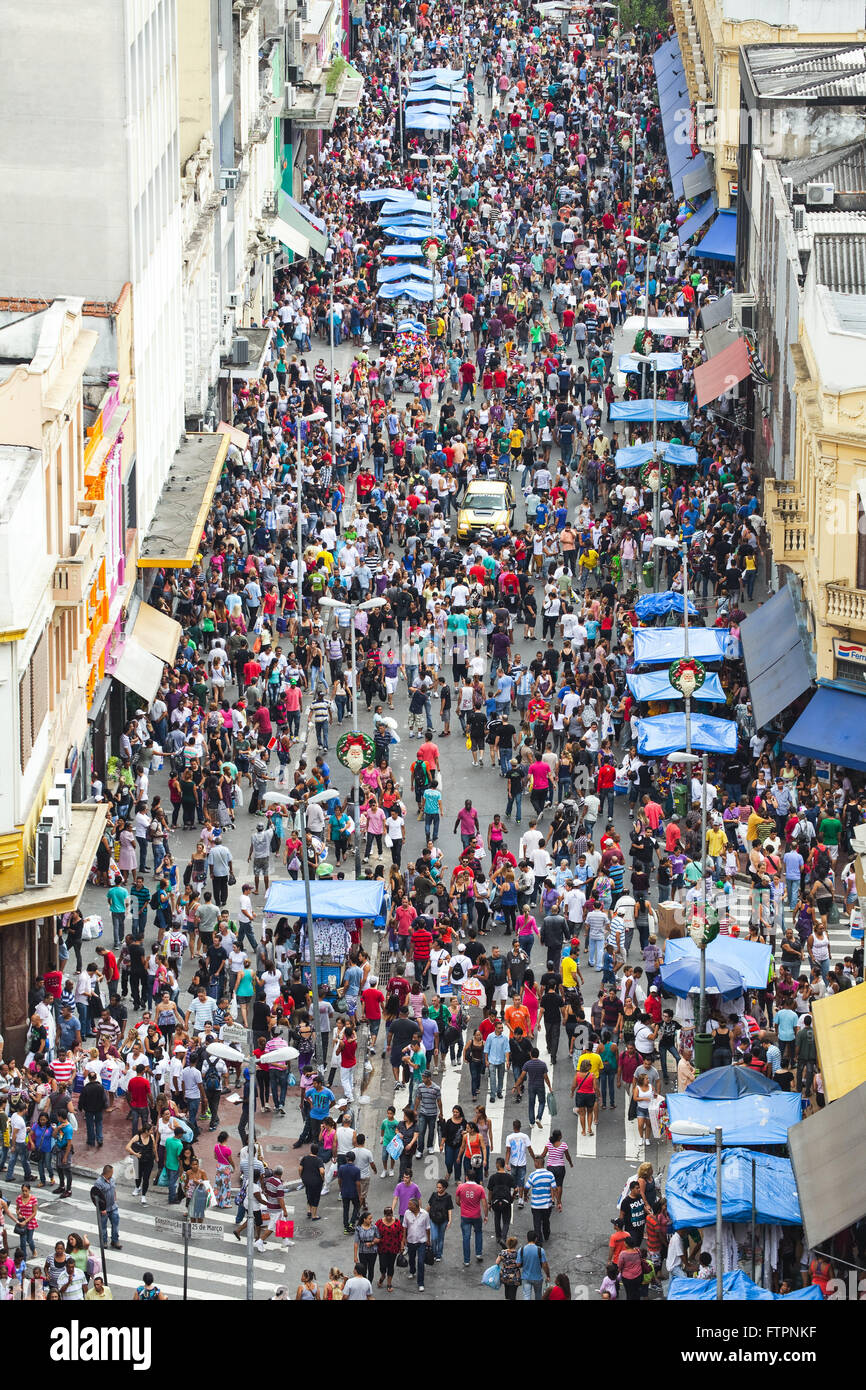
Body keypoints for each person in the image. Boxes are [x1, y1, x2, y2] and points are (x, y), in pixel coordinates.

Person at [517, 1232, 550, 1301]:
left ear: (527, 1238)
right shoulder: (540, 1250)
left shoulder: (521, 1250)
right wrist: (548, 1275)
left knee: (526, 1296)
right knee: (538, 1295)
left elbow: (518, 1264)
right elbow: (545, 1265)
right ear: (536, 1239)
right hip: (537, 1278)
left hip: (526, 1277)